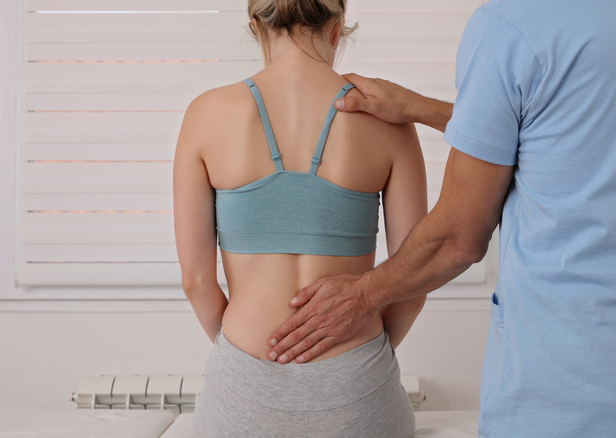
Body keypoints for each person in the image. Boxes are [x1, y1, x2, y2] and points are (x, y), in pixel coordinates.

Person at [266, 0, 616, 436]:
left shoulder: (513, 23)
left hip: (569, 407)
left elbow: (457, 240)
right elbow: (574, 135)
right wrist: (424, 109)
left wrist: (359, 295)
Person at [173, 0, 427, 436]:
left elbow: (197, 281)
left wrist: (246, 357)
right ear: (336, 28)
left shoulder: (206, 114)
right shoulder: (388, 120)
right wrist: (357, 360)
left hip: (243, 390)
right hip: (358, 387)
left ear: (256, 26)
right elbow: (414, 279)